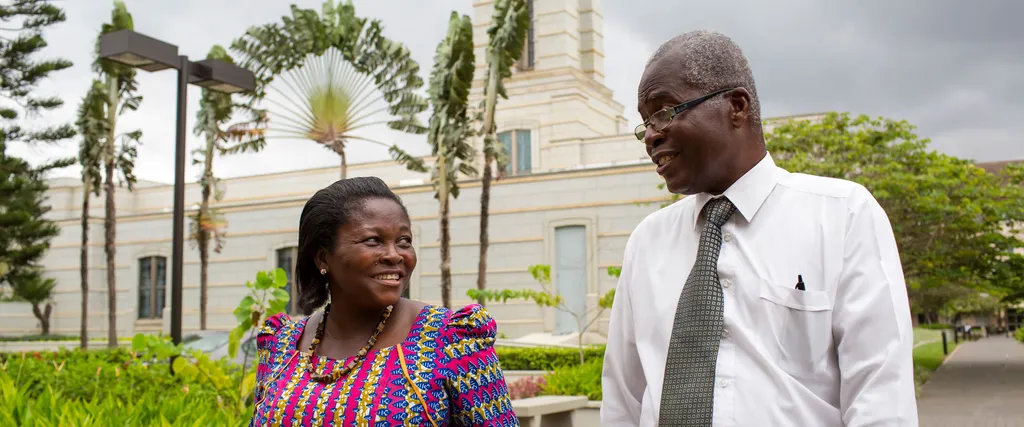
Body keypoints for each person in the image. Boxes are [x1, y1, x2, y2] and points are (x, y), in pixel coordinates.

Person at [601, 30, 917, 426]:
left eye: (665, 112)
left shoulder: (842, 216)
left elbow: (882, 395)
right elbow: (623, 399)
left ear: (736, 107)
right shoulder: (647, 242)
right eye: (645, 122)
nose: (650, 135)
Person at [250, 177, 519, 426]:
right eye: (373, 241)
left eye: (404, 241)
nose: (394, 255)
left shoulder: (450, 340)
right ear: (323, 258)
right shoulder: (282, 346)